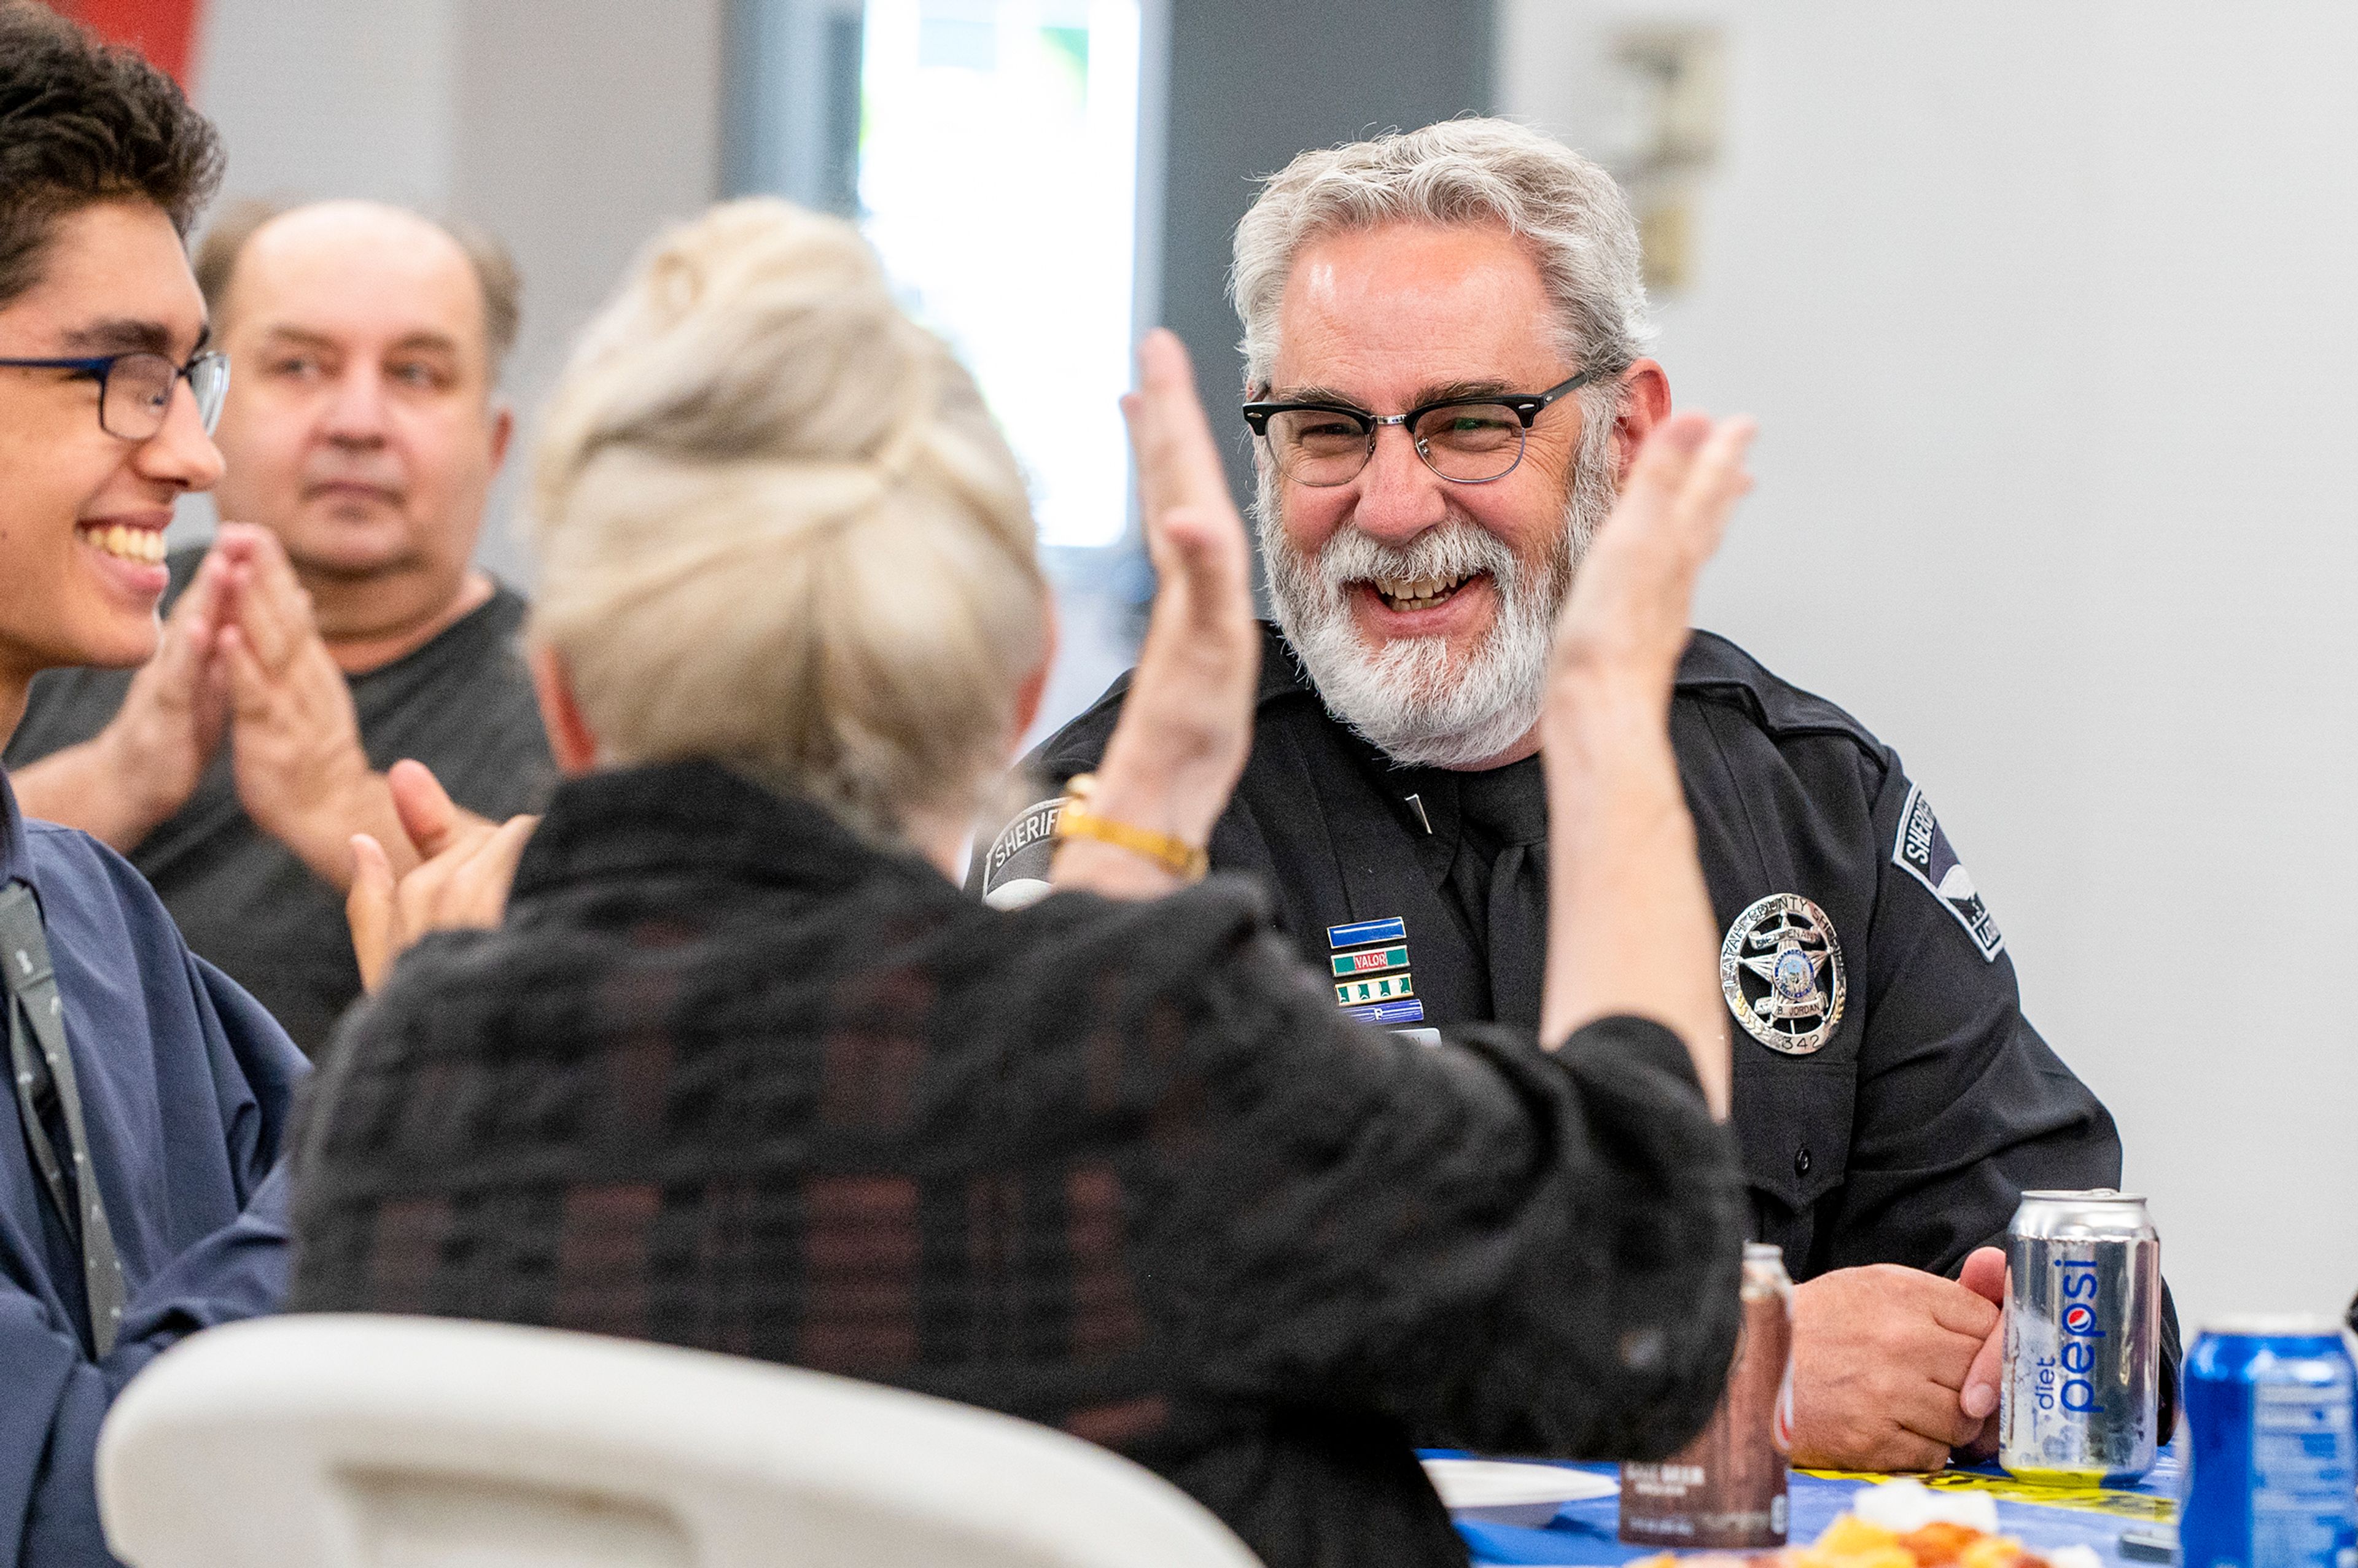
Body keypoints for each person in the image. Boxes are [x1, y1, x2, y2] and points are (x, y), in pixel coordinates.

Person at [286, 198, 1756, 1568]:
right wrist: (1614, 704)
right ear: (1010, 697)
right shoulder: (1156, 1058)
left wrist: (1142, 823)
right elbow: (1641, 1302)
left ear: (565, 705)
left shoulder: (396, 1079)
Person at [990, 117, 2180, 1471]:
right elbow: (1084, 1341)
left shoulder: (1813, 804)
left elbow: (2081, 1319)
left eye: (1468, 424)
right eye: (1326, 430)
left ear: (1628, 434)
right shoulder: (1134, 818)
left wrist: (2009, 1361)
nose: (1390, 505)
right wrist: (1734, 1375)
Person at [0, 6, 308, 1560]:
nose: (194, 456)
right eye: (121, 375)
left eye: (195, 377)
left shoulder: (97, 919)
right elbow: (77, 1514)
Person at [4, 198, 556, 1053]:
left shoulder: (586, 697)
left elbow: (650, 972)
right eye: (299, 366)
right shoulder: (67, 607)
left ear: (496, 439)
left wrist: (339, 801)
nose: (357, 424)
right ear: (199, 405)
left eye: (415, 375)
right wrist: (113, 782)